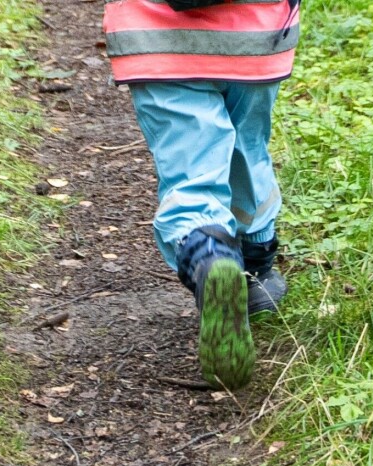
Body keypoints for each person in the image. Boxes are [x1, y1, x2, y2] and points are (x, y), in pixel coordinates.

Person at [103, 0, 300, 389]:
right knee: (247, 149)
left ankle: (212, 258)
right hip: (255, 37)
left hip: (156, 39)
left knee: (191, 171)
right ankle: (255, 270)